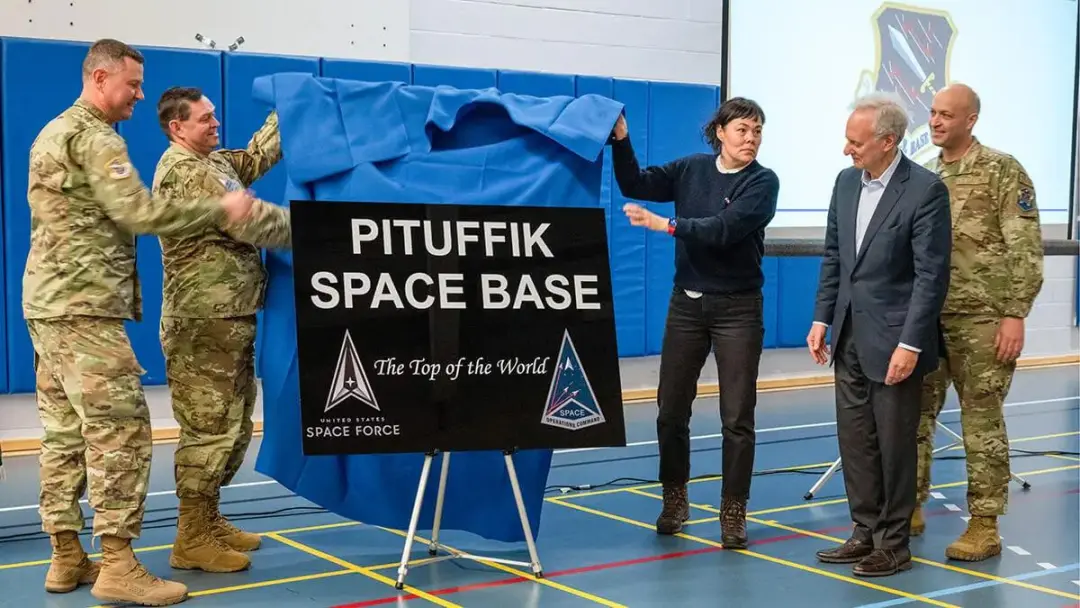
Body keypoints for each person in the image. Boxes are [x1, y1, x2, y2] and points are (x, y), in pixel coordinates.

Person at [23, 38, 282, 606]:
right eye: (133, 84)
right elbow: (137, 212)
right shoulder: (96, 137)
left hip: (50, 303)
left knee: (64, 436)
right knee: (121, 433)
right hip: (85, 309)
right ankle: (118, 566)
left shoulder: (53, 131)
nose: (140, 96)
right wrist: (221, 208)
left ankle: (67, 556)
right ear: (100, 78)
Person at [608, 97, 779, 548]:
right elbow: (635, 182)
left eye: (758, 131)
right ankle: (675, 498)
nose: (751, 138)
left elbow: (722, 230)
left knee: (737, 416)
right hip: (686, 305)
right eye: (743, 129)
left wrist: (666, 225)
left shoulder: (763, 182)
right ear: (720, 132)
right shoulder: (691, 168)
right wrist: (621, 141)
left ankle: (733, 510)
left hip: (738, 309)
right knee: (670, 410)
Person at [807, 92, 951, 576]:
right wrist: (821, 319)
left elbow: (931, 277)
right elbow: (834, 257)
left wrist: (911, 344)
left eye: (856, 142)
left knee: (894, 445)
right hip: (847, 336)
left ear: (888, 142)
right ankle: (864, 531)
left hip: (895, 343)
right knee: (855, 442)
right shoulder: (845, 182)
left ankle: (894, 543)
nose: (846, 149)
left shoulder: (925, 191)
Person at [150, 86, 291, 573]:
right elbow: (251, 222)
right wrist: (326, 229)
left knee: (232, 427)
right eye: (205, 119)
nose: (215, 123)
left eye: (213, 115)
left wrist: (289, 109)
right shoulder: (184, 170)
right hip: (202, 322)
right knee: (208, 430)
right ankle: (190, 538)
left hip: (229, 316)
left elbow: (254, 158)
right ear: (177, 127)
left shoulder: (212, 163)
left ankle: (208, 519)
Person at [911, 83, 1043, 561]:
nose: (935, 121)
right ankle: (909, 505)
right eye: (932, 112)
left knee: (981, 421)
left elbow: (1024, 246)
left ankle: (984, 525)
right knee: (913, 416)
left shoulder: (1001, 170)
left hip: (984, 318)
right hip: (928, 318)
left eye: (947, 114)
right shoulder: (925, 175)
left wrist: (1015, 313)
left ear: (970, 120)